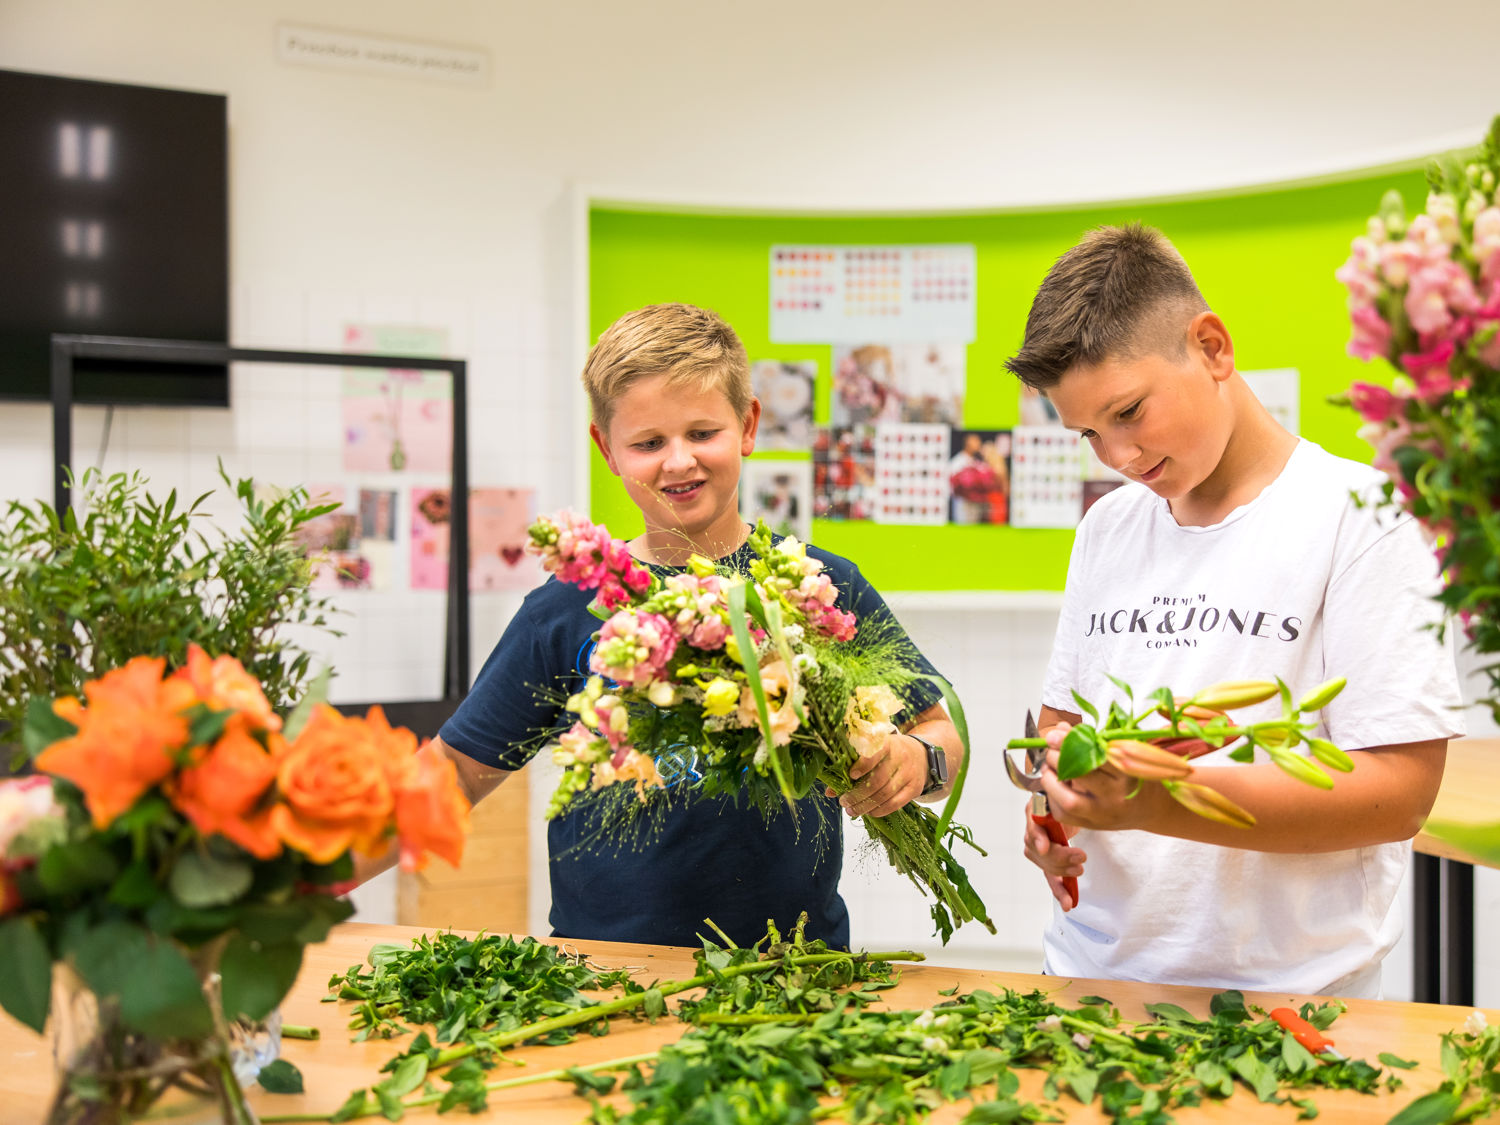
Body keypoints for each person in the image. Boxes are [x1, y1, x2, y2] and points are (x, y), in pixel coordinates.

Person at [381, 303, 963, 950]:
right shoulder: (565, 609)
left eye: (702, 432)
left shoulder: (821, 587)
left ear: (748, 425)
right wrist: (312, 872)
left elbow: (942, 733)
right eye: (649, 443)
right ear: (608, 449)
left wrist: (918, 761)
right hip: (606, 973)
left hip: (797, 970)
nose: (679, 461)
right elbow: (455, 772)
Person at [1004, 223, 1464, 999]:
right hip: (1088, 980)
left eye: (1129, 412)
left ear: (1213, 347)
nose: (1117, 458)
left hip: (1291, 1002)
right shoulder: (1107, 527)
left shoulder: (1365, 516)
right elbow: (1061, 734)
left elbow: (1398, 795)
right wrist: (1056, 809)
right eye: (1088, 433)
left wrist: (1153, 801)